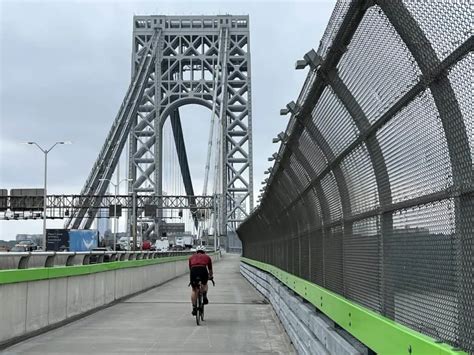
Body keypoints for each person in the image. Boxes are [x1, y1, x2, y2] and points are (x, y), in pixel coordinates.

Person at [189, 245, 213, 316]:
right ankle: (204, 295)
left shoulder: (191, 257)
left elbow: (191, 268)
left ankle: (194, 308)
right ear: (204, 251)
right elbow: (210, 270)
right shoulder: (207, 257)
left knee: (194, 290)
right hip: (203, 270)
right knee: (205, 284)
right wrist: (210, 276)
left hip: (194, 271)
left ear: (196, 251)